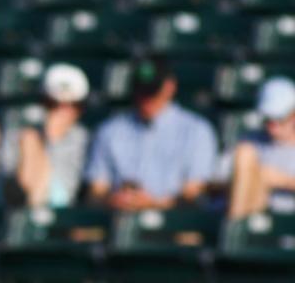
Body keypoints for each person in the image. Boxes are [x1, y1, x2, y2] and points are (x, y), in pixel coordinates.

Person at [85, 55, 218, 211]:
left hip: (173, 222)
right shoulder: (109, 130)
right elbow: (96, 189)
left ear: (169, 87)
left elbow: (195, 192)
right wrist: (113, 199)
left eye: (152, 92)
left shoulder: (197, 130)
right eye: (141, 91)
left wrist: (154, 203)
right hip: (116, 217)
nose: (146, 99)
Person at [14, 63, 90, 208]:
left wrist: (50, 140)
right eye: (54, 104)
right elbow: (19, 182)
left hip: (64, 207)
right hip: (23, 197)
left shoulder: (84, 138)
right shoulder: (26, 133)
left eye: (72, 105)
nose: (61, 112)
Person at [227, 77, 295, 220]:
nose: (272, 125)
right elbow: (213, 184)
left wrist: (283, 180)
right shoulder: (249, 142)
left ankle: (235, 234)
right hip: (250, 211)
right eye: (267, 119)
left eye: (279, 118)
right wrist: (253, 177)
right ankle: (235, 234)